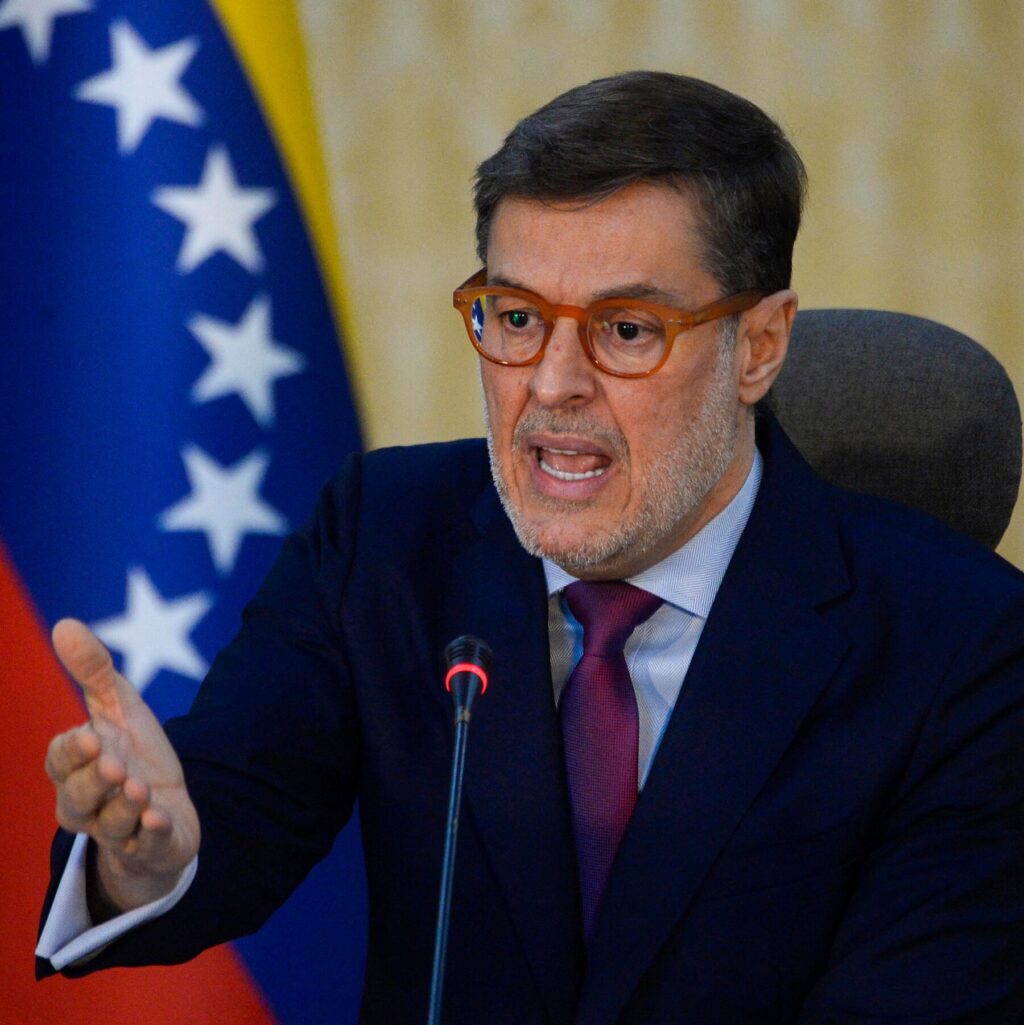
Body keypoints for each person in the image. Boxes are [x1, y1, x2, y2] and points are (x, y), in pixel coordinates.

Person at [37, 71, 1024, 1023]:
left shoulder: (964, 644)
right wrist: (144, 857)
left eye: (625, 329)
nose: (551, 384)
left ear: (759, 347)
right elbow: (225, 814)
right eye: (516, 317)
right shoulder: (386, 536)